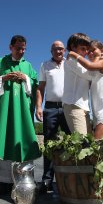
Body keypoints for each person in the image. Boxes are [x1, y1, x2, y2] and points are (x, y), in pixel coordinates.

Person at [0, 35, 41, 195]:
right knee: (5, 137)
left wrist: (26, 78)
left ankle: (24, 178)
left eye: (24, 48)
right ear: (10, 47)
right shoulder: (0, 62)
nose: (21, 51)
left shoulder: (28, 66)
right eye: (18, 48)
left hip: (22, 110)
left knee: (22, 139)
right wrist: (5, 78)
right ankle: (3, 182)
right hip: (5, 110)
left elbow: (36, 86)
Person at [68, 40, 103, 139]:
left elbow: (89, 66)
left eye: (93, 50)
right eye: (88, 51)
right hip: (99, 105)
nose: (90, 53)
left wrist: (74, 55)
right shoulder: (94, 67)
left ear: (102, 50)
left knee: (98, 142)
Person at [35, 40, 71, 194]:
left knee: (73, 142)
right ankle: (47, 180)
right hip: (50, 108)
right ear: (51, 51)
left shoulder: (70, 64)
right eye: (56, 49)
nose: (59, 51)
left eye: (61, 49)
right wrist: (38, 106)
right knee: (49, 145)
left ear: (65, 51)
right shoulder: (45, 65)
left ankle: (71, 178)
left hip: (68, 107)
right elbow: (40, 88)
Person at [62, 33, 93, 136]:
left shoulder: (80, 61)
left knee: (87, 142)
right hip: (74, 104)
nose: (86, 52)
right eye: (83, 48)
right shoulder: (71, 60)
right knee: (81, 143)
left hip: (82, 105)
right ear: (73, 47)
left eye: (87, 49)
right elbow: (90, 75)